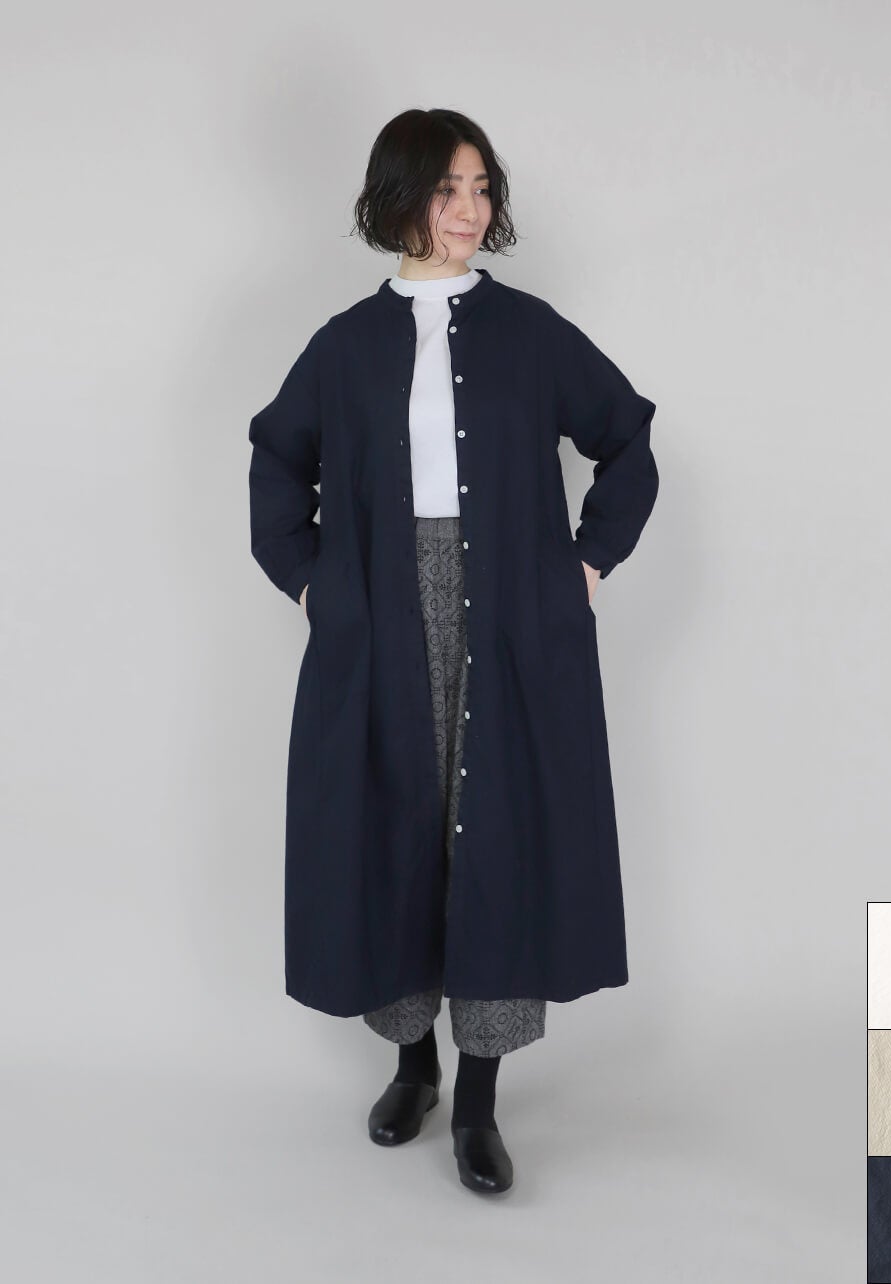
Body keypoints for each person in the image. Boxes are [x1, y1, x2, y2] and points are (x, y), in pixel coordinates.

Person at [248, 108, 660, 1196]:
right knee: (394, 828)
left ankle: (478, 1097)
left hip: (512, 613)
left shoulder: (530, 333)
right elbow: (277, 464)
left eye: (480, 187)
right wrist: (313, 586)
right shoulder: (344, 345)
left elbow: (626, 439)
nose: (469, 210)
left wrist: (584, 565)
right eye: (446, 189)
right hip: (383, 612)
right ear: (398, 198)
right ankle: (412, 1066)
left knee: (497, 839)